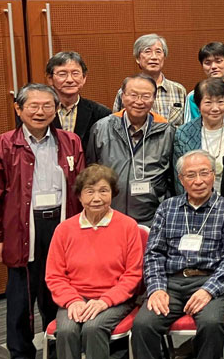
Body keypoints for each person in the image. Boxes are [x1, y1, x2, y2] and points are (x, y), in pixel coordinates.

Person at [133, 151, 224, 359]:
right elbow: (153, 254)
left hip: (211, 282)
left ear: (213, 176)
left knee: (211, 323)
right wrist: (156, 288)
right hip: (171, 283)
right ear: (181, 179)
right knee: (143, 325)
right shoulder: (167, 208)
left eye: (204, 173)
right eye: (191, 175)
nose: (199, 180)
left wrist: (208, 290)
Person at [0, 84, 84, 359]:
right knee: (21, 296)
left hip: (61, 223)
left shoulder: (70, 141)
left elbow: (81, 187)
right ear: (18, 109)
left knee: (58, 291)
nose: (40, 111)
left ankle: (57, 350)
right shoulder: (3, 145)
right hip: (22, 227)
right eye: (33, 105)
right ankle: (20, 358)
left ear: (56, 109)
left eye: (47, 106)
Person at [44, 164, 143, 359]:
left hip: (113, 298)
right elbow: (54, 275)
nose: (96, 197)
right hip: (75, 298)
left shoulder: (127, 226)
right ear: (79, 196)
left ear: (113, 193)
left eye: (103, 191)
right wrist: (72, 301)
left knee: (93, 327)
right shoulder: (64, 230)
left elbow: (133, 274)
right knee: (66, 329)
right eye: (90, 191)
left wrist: (105, 301)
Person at [87, 74, 175, 225]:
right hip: (109, 217)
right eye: (133, 95)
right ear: (122, 97)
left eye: (146, 96)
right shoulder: (101, 128)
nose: (139, 101)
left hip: (152, 219)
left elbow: (172, 179)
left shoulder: (167, 132)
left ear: (154, 99)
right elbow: (90, 172)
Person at [173, 78, 224, 194]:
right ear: (198, 105)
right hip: (195, 198)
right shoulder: (184, 133)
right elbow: (179, 176)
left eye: (220, 102)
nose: (215, 108)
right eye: (208, 103)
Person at [112, 34, 186, 127]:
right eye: (148, 51)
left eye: (158, 52)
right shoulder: (126, 92)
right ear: (138, 58)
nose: (154, 57)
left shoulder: (178, 90)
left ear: (164, 57)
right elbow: (115, 125)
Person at [46, 51, 111, 148]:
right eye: (62, 74)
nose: (69, 80)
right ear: (50, 79)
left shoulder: (101, 113)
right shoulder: (40, 112)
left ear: (84, 78)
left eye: (75, 74)